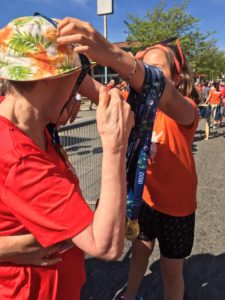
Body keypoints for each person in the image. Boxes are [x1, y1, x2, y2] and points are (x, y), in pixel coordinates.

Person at [56, 19, 199, 300]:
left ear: (178, 79)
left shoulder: (186, 110)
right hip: (145, 201)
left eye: (154, 69)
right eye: (140, 67)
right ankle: (129, 296)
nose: (140, 76)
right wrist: (73, 57)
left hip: (178, 209)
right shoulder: (129, 107)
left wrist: (116, 56)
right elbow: (87, 86)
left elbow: (163, 92)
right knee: (139, 254)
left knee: (172, 272)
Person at [0, 15, 134, 299]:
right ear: (49, 79)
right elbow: (105, 246)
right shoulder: (20, 159)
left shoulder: (23, 123)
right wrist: (115, 146)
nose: (78, 88)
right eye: (76, 75)